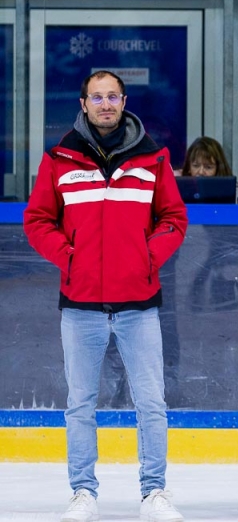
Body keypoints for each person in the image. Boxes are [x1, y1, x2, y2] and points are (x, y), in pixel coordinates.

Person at [23, 70, 187, 522]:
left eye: (113, 96)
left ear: (124, 100)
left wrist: (146, 258)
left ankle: (154, 491)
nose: (105, 104)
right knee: (80, 404)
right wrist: (69, 258)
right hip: (81, 308)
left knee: (151, 402)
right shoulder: (58, 158)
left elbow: (173, 218)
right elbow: (38, 220)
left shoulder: (153, 159)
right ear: (83, 103)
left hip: (139, 305)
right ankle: (82, 491)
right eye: (97, 97)